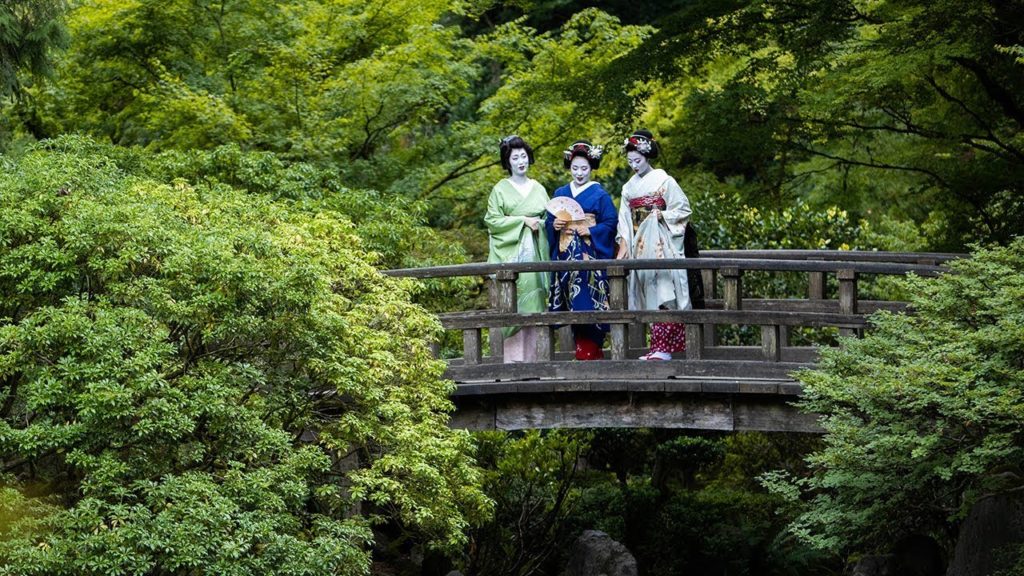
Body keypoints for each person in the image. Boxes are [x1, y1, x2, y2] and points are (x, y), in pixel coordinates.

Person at [615, 130, 692, 360]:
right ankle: (655, 348)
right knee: (648, 291)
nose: (634, 166)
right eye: (630, 162)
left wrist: (662, 215)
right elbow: (624, 219)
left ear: (647, 156)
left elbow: (683, 209)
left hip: (660, 241)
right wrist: (624, 244)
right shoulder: (628, 187)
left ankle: (665, 349)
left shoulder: (664, 180)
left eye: (637, 161)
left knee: (664, 291)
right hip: (639, 241)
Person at [545, 140, 618, 360]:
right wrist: (554, 226)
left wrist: (591, 231)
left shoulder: (600, 195)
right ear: (569, 167)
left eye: (584, 168)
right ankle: (582, 347)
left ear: (592, 167)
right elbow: (549, 221)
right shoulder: (560, 192)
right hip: (565, 252)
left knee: (588, 298)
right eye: (575, 168)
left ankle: (591, 348)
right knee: (570, 299)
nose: (579, 173)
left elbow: (610, 223)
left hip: (589, 254)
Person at [485, 135, 550, 363]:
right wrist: (522, 220)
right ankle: (512, 361)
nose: (521, 161)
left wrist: (538, 224)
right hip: (511, 253)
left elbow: (548, 219)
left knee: (536, 303)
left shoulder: (539, 188)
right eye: (515, 157)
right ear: (508, 161)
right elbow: (492, 220)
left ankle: (535, 359)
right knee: (512, 303)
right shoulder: (500, 189)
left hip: (535, 251)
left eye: (523, 156)